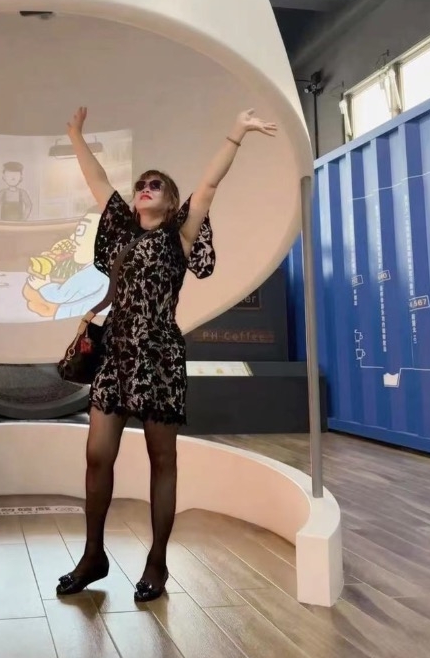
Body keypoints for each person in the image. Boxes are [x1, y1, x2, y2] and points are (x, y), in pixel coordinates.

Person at [55, 105, 277, 602]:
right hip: (115, 352)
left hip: (159, 356)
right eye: (142, 184)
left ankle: (157, 561)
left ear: (171, 200)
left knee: (162, 460)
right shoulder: (121, 229)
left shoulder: (179, 235)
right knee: (97, 455)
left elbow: (211, 184)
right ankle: (93, 555)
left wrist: (237, 131)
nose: (146, 187)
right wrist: (75, 136)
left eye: (156, 184)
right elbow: (97, 181)